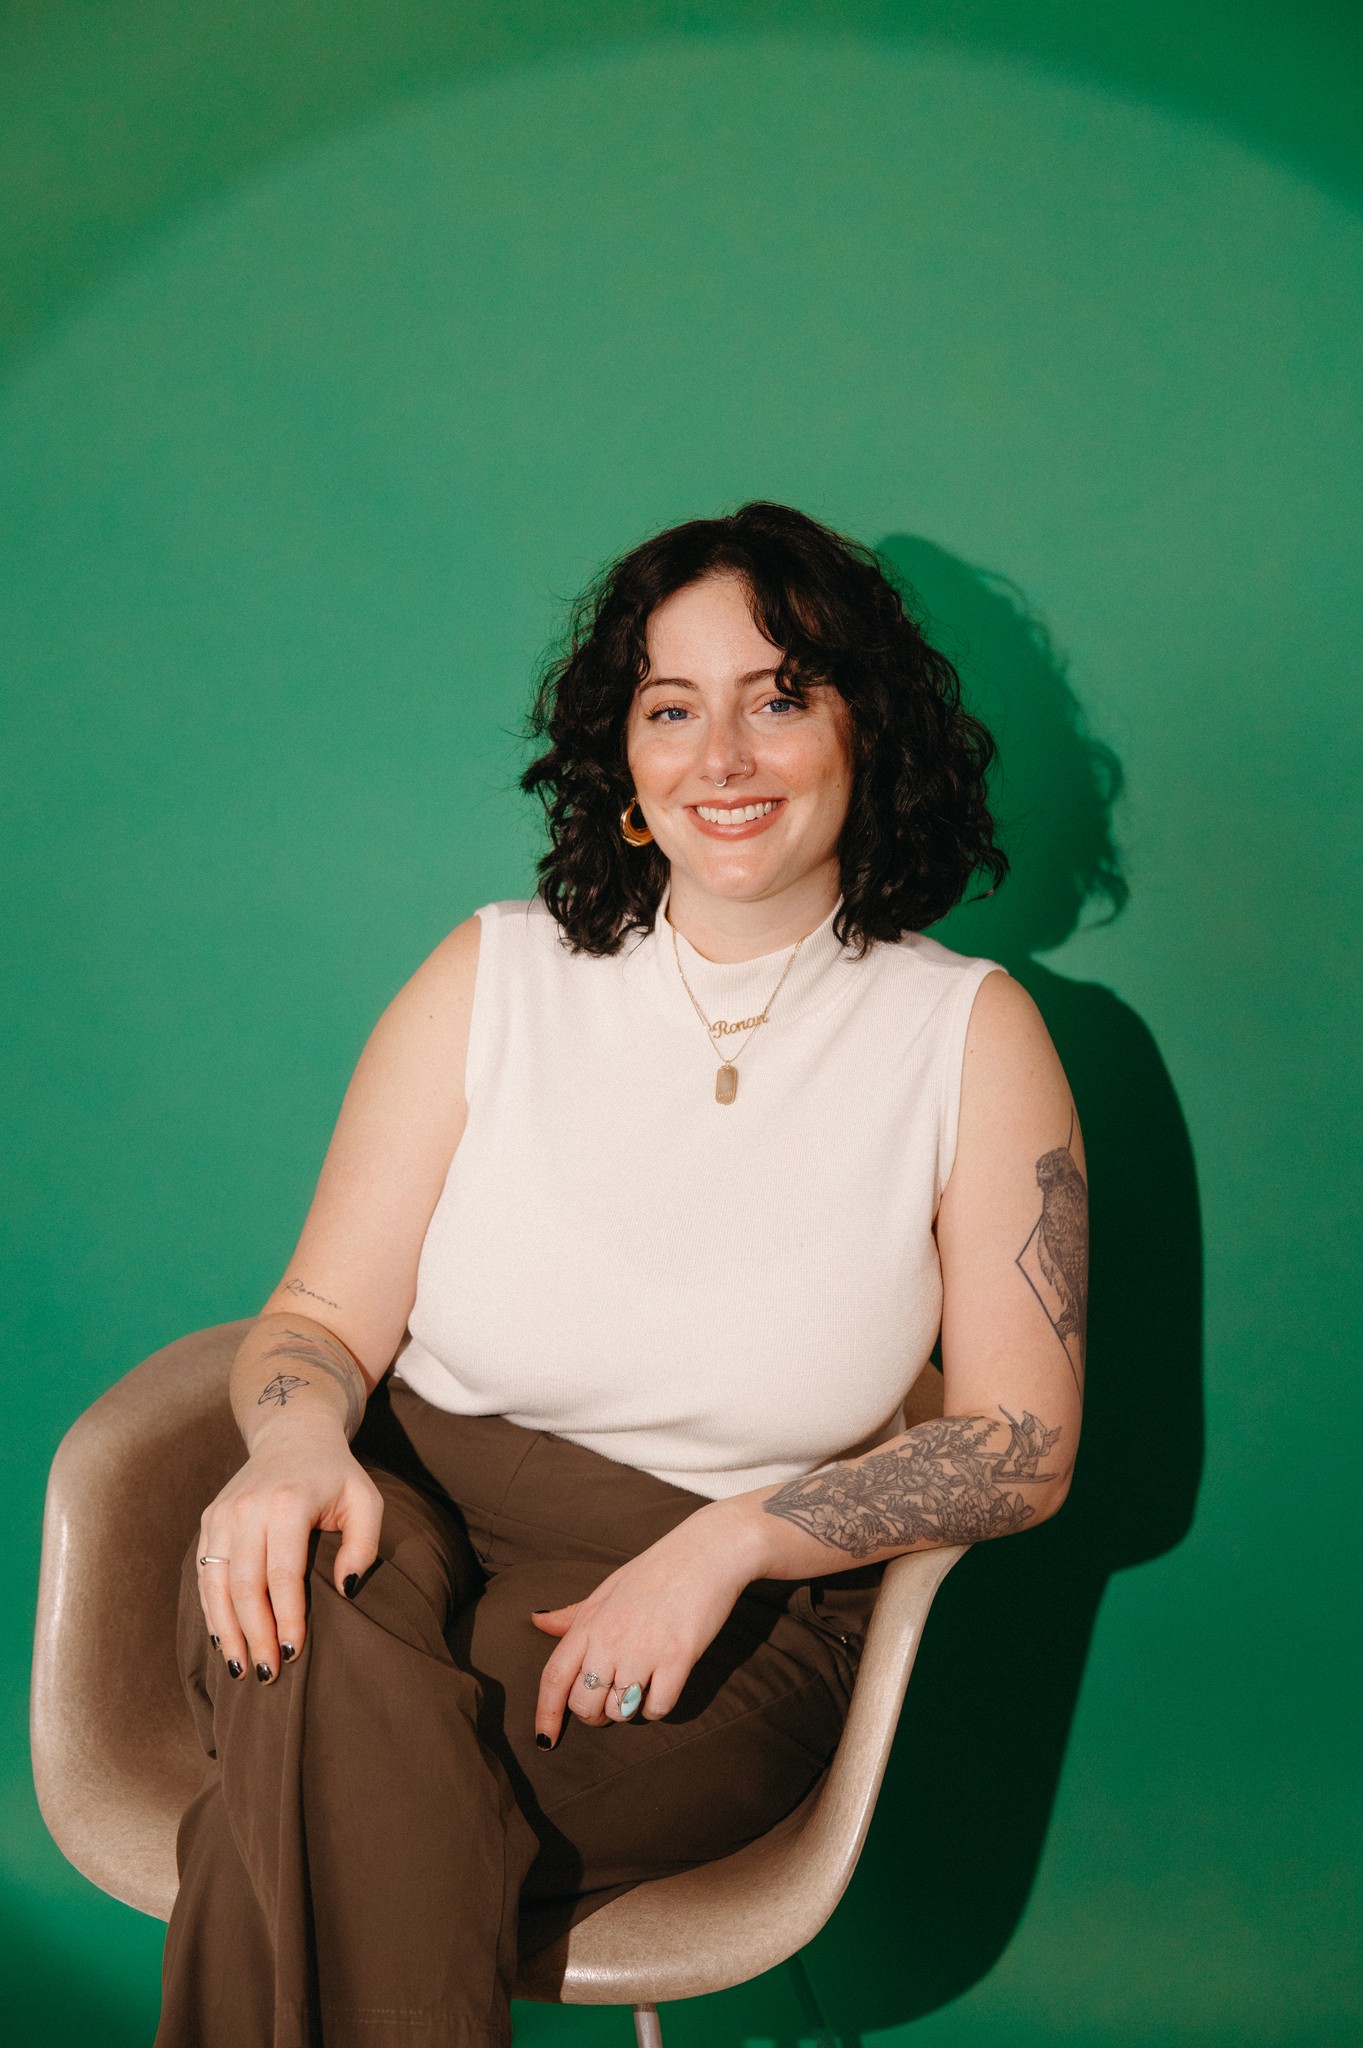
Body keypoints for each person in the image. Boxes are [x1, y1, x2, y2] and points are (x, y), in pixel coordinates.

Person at [156, 501, 1087, 2048]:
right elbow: (318, 1318)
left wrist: (730, 1544)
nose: (721, 757)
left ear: (867, 731)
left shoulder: (967, 1035)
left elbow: (1021, 1442)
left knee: (328, 1785)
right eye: (671, 709)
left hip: (730, 1609)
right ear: (624, 759)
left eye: (777, 698)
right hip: (406, 1514)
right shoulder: (493, 971)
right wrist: (299, 1441)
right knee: (322, 1667)